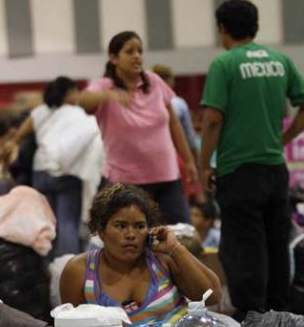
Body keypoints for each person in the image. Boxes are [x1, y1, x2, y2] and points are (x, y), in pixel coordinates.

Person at [199, 0, 304, 321]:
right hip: (274, 169)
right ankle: (280, 314)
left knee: (243, 246)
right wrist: (284, 138)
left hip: (238, 170)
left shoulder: (224, 65)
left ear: (223, 30)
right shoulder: (280, 60)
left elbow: (212, 120)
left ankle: (252, 317)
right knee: (276, 241)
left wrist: (202, 165)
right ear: (255, 27)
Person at [59, 184, 221, 327]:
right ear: (101, 231)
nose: (131, 234)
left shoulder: (162, 259)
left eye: (139, 226)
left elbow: (212, 296)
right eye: (120, 226)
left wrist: (176, 249)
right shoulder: (79, 271)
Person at [78, 31, 198, 225]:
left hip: (167, 176)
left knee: (181, 236)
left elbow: (174, 124)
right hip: (126, 182)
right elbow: (82, 101)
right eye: (130, 51)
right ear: (113, 58)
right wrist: (108, 95)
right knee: (132, 243)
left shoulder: (154, 81)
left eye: (140, 51)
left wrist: (189, 160)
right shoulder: (103, 85)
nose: (137, 56)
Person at [12, 76, 98, 257]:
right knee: (67, 222)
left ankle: (49, 267)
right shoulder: (75, 113)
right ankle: (68, 267)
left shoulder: (39, 112)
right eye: (75, 91)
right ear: (68, 93)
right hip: (66, 173)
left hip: (40, 172)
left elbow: (19, 136)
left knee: (47, 223)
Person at [152, 64, 206, 204]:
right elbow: (189, 138)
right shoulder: (178, 103)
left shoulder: (146, 102)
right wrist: (194, 162)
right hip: (177, 157)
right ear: (169, 80)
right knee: (181, 200)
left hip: (152, 161)